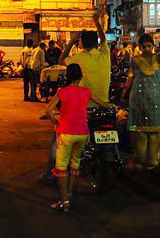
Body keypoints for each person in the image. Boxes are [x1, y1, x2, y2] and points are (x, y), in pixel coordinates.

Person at [45, 63, 112, 212]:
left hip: (66, 133)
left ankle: (64, 202)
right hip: (82, 133)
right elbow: (103, 104)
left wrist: (55, 121)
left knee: (61, 167)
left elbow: (48, 109)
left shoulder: (62, 92)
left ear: (67, 76)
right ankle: (69, 194)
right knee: (75, 163)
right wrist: (112, 106)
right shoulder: (86, 92)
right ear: (81, 77)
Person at [122, 33, 160, 170]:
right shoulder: (136, 61)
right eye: (144, 46)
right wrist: (124, 93)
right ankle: (143, 161)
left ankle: (149, 162)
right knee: (139, 133)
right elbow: (130, 79)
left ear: (153, 46)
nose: (147, 49)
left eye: (149, 46)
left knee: (152, 133)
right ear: (140, 47)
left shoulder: (159, 60)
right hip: (140, 100)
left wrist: (124, 94)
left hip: (149, 99)